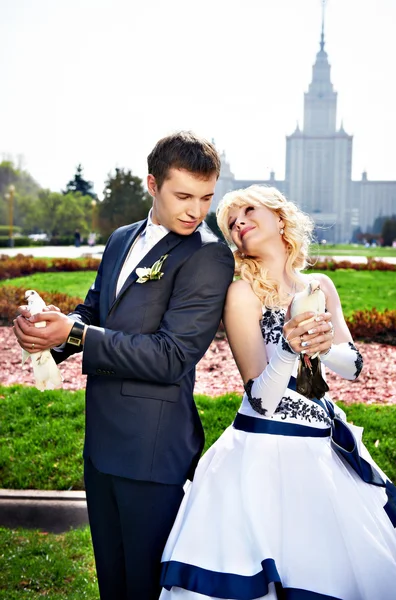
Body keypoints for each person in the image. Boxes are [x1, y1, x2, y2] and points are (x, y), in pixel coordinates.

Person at [13, 131, 235, 600]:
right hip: (102, 446)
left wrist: (74, 334)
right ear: (152, 184)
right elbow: (94, 312)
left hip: (153, 452)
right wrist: (48, 334)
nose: (196, 210)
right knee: (112, 585)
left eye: (206, 197)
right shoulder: (120, 239)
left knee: (146, 589)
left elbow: (172, 356)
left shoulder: (208, 255)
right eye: (183, 196)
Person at [160, 185, 396, 600]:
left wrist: (326, 346)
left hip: (323, 449)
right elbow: (260, 397)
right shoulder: (241, 294)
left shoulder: (320, 286)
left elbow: (355, 367)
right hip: (261, 452)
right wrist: (288, 348)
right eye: (232, 223)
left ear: (280, 218)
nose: (239, 224)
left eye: (248, 211)